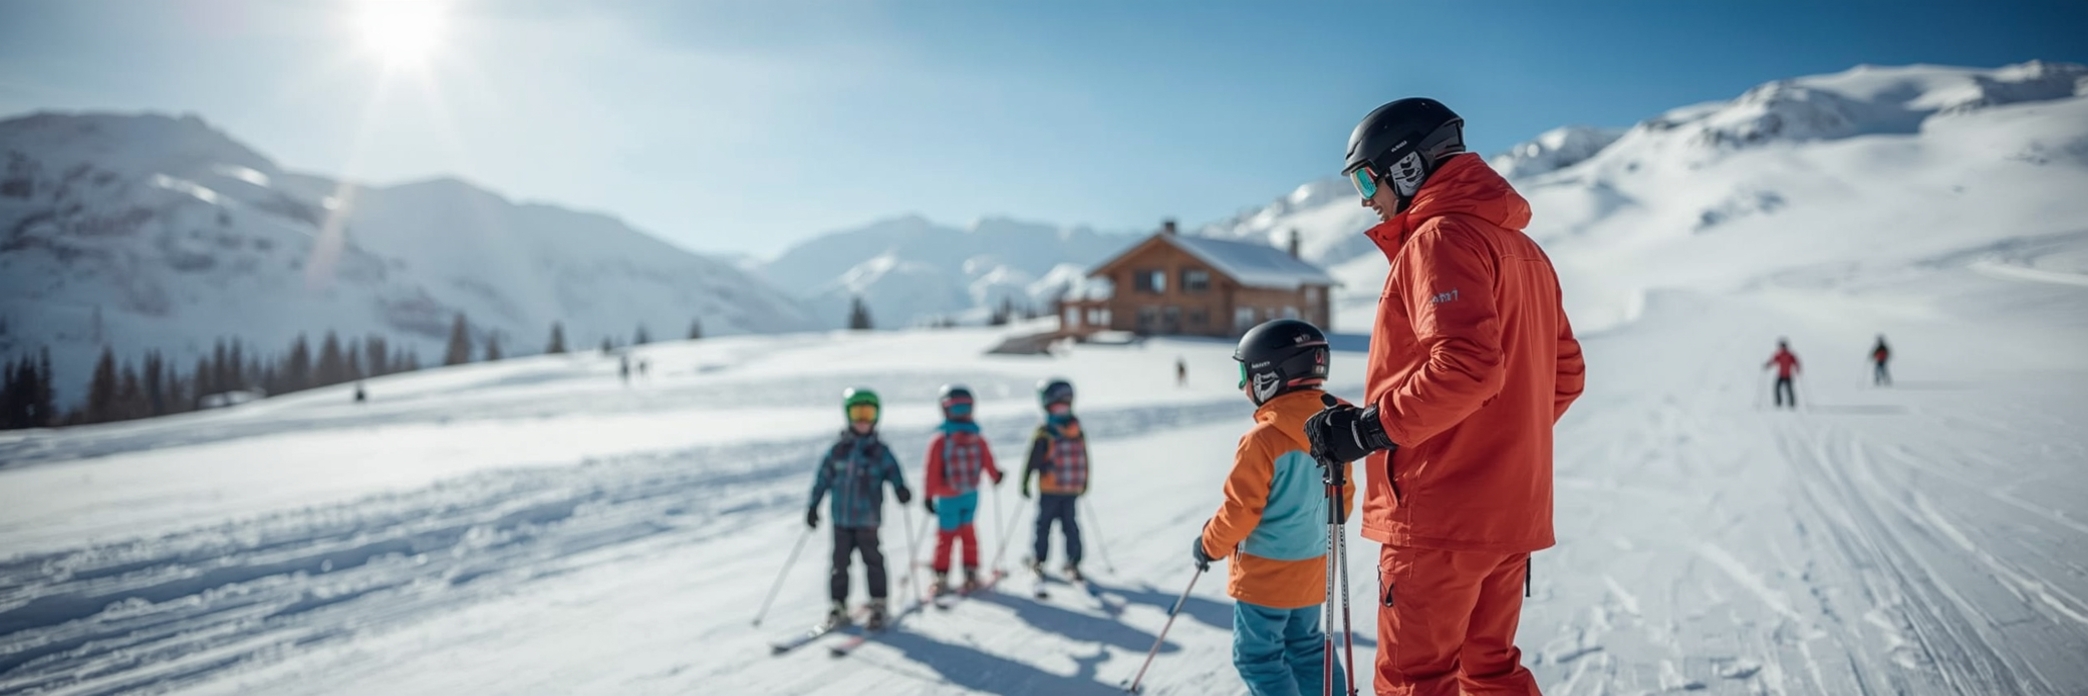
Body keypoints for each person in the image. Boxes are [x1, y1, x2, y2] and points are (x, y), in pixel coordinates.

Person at [1305, 97, 1586, 695]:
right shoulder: (1527, 253)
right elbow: (1564, 376)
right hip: (1509, 515)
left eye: (1365, 178)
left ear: (1406, 167)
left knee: (1416, 680)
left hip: (1438, 518)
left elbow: (1466, 367)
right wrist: (1495, 439)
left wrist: (1369, 430)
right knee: (1490, 673)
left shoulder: (1439, 238)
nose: (1365, 199)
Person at [1194, 319, 1354, 696]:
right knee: (1309, 648)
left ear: (1268, 375)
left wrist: (1208, 544)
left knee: (1259, 658)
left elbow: (1240, 511)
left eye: (1244, 373)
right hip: (1313, 566)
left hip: (1265, 576)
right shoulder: (1338, 430)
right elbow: (1342, 503)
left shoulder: (1262, 440)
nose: (1242, 384)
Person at [806, 387, 912, 630]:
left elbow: (894, 472)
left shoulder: (879, 452)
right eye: (857, 414)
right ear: (848, 415)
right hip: (841, 519)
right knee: (839, 564)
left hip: (868, 519)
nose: (863, 420)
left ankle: (878, 603)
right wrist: (813, 506)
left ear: (876, 416)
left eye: (868, 414)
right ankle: (838, 605)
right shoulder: (838, 450)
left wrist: (900, 489)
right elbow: (822, 479)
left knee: (873, 561)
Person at [922, 384, 1004, 594]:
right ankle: (970, 570)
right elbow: (988, 460)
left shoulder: (941, 439)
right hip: (970, 494)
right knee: (968, 533)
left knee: (945, 536)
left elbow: (931, 470)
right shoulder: (977, 437)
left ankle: (941, 574)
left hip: (947, 496)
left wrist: (929, 495)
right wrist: (995, 475)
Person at [1020, 378, 1090, 581]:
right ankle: (1073, 562)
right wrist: (1084, 482)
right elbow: (1085, 459)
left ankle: (1039, 559)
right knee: (1070, 525)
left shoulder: (1045, 430)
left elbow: (1032, 460)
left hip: (1050, 488)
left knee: (1044, 525)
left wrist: (1024, 482)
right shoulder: (1076, 429)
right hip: (1071, 488)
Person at [1766, 339, 1801, 408]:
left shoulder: (1790, 355)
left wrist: (1797, 369)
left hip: (1787, 375)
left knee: (1788, 390)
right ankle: (1780, 403)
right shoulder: (1780, 355)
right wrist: (1767, 365)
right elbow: (1773, 361)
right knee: (1779, 389)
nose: (1782, 348)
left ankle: (1790, 403)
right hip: (1781, 375)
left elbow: (1796, 362)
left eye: (1783, 346)